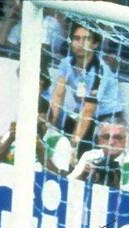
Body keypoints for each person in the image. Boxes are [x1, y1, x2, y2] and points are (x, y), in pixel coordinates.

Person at [47, 22, 123, 156]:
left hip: (106, 116)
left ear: (95, 44)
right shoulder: (66, 63)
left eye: (86, 39)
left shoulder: (100, 70)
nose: (80, 43)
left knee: (81, 147)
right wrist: (48, 126)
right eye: (77, 38)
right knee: (61, 132)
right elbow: (58, 95)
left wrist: (73, 144)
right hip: (82, 111)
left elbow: (89, 109)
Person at [66, 119, 129, 193]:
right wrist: (82, 176)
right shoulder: (90, 156)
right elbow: (67, 185)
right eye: (106, 137)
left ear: (126, 140)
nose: (111, 142)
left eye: (117, 137)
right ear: (98, 140)